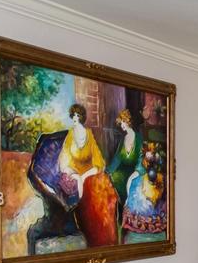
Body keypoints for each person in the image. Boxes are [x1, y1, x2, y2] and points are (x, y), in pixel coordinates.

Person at [57, 103, 120, 246]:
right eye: (73, 115)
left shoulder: (89, 135)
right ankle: (92, 238)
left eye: (77, 115)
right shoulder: (70, 136)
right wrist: (77, 176)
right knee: (86, 198)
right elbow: (64, 163)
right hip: (74, 174)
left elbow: (99, 162)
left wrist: (84, 176)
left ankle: (108, 239)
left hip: (90, 174)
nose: (75, 118)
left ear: (82, 117)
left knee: (103, 187)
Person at [105, 108, 140, 203]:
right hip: (123, 170)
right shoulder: (123, 139)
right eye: (121, 123)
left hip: (134, 170)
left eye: (123, 122)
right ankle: (120, 206)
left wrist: (137, 171)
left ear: (128, 121)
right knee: (114, 176)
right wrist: (108, 170)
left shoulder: (138, 138)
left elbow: (141, 158)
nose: (122, 125)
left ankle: (127, 205)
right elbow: (117, 158)